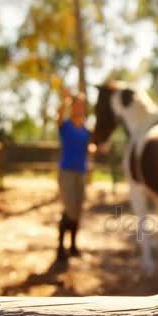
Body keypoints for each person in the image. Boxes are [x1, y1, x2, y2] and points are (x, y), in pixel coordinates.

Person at [56, 89, 95, 261]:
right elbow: (58, 116)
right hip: (66, 172)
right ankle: (60, 247)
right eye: (77, 104)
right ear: (72, 107)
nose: (79, 108)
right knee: (69, 209)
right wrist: (64, 100)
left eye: (82, 105)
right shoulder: (65, 126)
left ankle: (72, 246)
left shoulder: (86, 130)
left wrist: (95, 150)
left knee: (77, 210)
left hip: (81, 173)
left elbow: (89, 147)